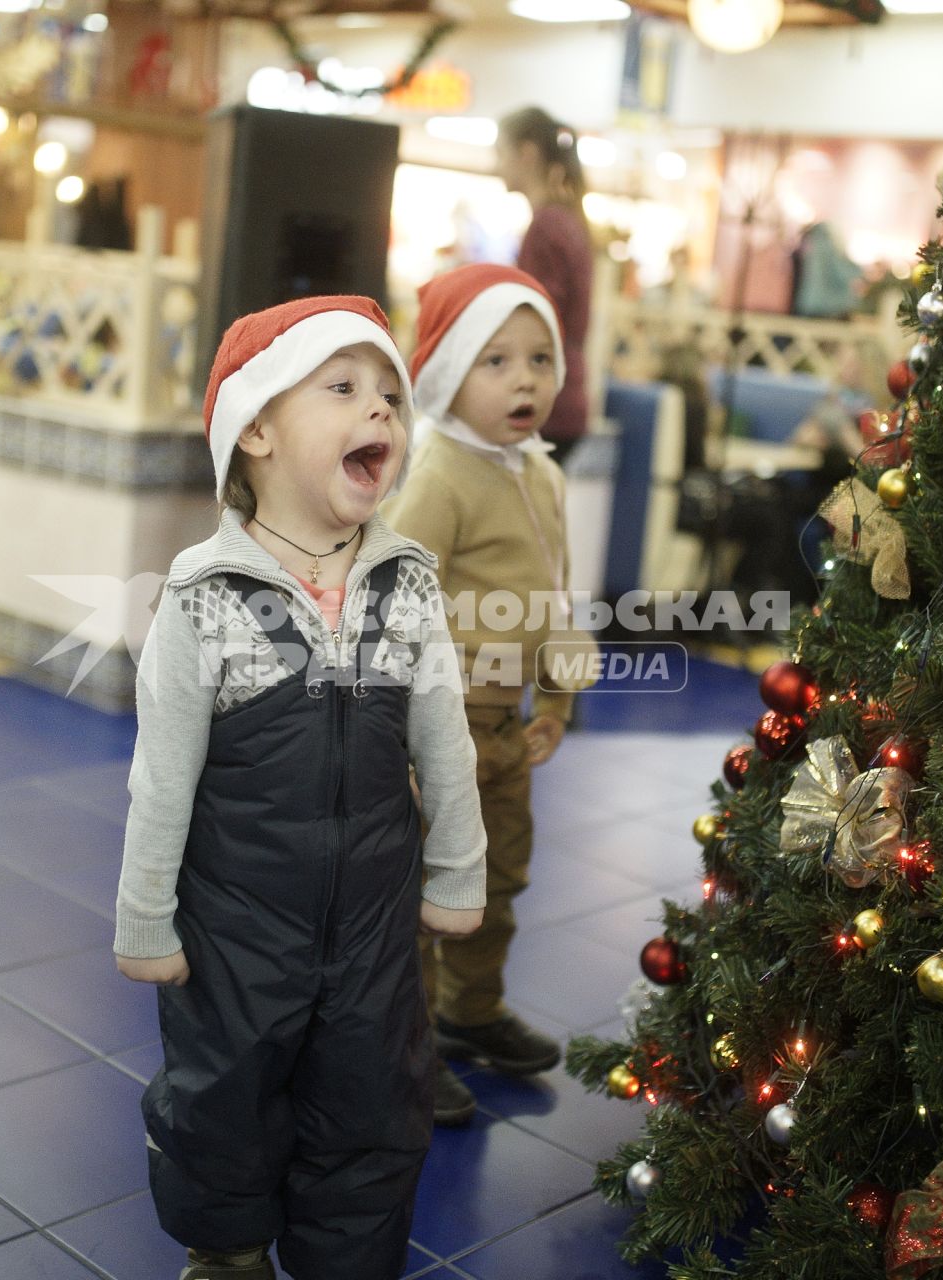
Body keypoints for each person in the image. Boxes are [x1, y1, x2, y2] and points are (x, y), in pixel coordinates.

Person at [114, 295, 487, 1280]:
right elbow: (162, 775)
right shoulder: (203, 596)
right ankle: (228, 1250)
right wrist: (146, 913)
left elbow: (443, 738)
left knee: (374, 1102)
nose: (380, 412)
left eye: (390, 396)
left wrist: (457, 871)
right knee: (224, 1096)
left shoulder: (405, 582)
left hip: (373, 925)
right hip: (234, 929)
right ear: (259, 431)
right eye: (343, 387)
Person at [382, 263, 596, 1127]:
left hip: (508, 725)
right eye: (496, 361)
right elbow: (391, 604)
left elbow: (553, 597)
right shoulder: (440, 475)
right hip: (441, 723)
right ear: (447, 375)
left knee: (498, 878)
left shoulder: (538, 472)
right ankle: (407, 1048)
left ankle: (470, 1014)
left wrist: (558, 701)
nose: (525, 380)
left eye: (539, 359)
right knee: (432, 889)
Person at [496, 106, 594, 467]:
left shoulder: (547, 226)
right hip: (563, 397)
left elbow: (537, 321)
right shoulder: (565, 219)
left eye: (501, 154)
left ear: (527, 154)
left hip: (544, 403)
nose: (497, 166)